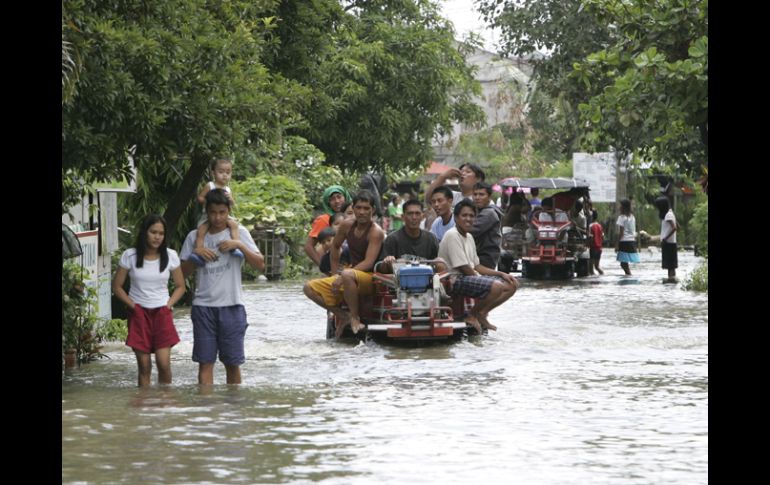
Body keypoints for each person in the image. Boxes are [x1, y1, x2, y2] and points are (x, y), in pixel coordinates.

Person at [180, 189, 265, 385]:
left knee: (232, 363)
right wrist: (197, 254)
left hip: (233, 305)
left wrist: (240, 246)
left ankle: (232, 411)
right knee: (205, 363)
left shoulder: (240, 232)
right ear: (206, 212)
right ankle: (206, 408)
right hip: (203, 307)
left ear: (228, 212)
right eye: (212, 213)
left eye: (222, 212)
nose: (217, 218)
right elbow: (181, 274)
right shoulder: (194, 237)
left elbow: (260, 265)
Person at [112, 214, 186, 387]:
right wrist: (133, 306)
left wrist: (168, 305)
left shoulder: (171, 255)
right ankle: (144, 408)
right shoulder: (129, 255)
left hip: (162, 313)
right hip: (138, 314)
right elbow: (117, 287)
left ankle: (164, 403)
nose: (157, 237)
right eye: (153, 232)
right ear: (145, 232)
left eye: (161, 233)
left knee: (164, 364)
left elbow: (180, 286)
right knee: (144, 367)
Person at [303, 190, 385, 337]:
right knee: (308, 288)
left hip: (369, 277)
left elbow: (368, 262)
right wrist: (335, 275)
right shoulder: (346, 225)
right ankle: (343, 315)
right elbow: (335, 246)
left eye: (366, 208)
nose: (362, 212)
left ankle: (354, 317)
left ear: (372, 210)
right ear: (353, 209)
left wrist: (342, 276)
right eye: (358, 208)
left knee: (346, 274)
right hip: (349, 275)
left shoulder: (376, 232)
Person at [438, 200, 518, 332]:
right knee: (496, 287)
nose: (468, 219)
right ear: (456, 218)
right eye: (464, 216)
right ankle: (472, 315)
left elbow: (477, 266)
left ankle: (481, 313)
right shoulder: (452, 235)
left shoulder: (469, 237)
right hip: (453, 279)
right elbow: (464, 267)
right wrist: (485, 280)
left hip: (467, 276)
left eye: (471, 216)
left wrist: (501, 274)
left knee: (512, 284)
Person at [189, 158, 243, 266]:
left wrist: (230, 199)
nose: (224, 175)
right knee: (201, 231)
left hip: (224, 217)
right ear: (214, 172)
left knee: (234, 225)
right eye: (221, 172)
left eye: (228, 172)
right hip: (208, 216)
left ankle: (236, 246)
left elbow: (231, 204)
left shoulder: (228, 189)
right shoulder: (210, 185)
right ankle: (199, 251)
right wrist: (209, 201)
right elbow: (200, 198)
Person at [380, 199, 444, 273]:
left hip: (426, 279)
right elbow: (381, 269)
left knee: (440, 263)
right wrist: (387, 262)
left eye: (417, 213)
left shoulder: (431, 238)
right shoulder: (392, 239)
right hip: (399, 282)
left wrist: (438, 263)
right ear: (403, 217)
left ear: (423, 217)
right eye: (410, 213)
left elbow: (438, 264)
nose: (414, 217)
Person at [304, 185, 352, 269]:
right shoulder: (323, 220)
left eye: (339, 197)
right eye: (332, 199)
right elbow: (309, 247)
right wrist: (323, 267)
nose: (337, 201)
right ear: (328, 203)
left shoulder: (354, 215)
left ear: (345, 197)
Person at [470, 182, 504, 270]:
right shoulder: (479, 211)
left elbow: (471, 231)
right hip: (479, 257)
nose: (477, 197)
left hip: (485, 259)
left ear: (489, 197)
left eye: (481, 194)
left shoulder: (489, 213)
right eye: (475, 194)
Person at [655, 196, 679, 282]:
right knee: (671, 266)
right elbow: (676, 226)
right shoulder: (669, 213)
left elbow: (674, 228)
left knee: (670, 266)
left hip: (669, 243)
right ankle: (671, 280)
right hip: (670, 242)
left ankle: (671, 281)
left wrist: (665, 238)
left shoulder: (668, 215)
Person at [615, 198, 640, 275]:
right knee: (624, 263)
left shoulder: (621, 217)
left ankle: (629, 275)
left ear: (624, 207)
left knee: (623, 264)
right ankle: (629, 275)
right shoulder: (632, 217)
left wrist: (616, 244)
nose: (619, 207)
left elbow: (621, 233)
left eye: (620, 206)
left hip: (624, 241)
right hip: (632, 241)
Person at [588, 209, 605, 275]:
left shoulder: (590, 226)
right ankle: (602, 275)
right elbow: (602, 237)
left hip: (593, 248)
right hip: (599, 249)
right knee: (597, 267)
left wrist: (587, 244)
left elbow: (590, 237)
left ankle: (592, 283)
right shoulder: (599, 226)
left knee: (590, 269)